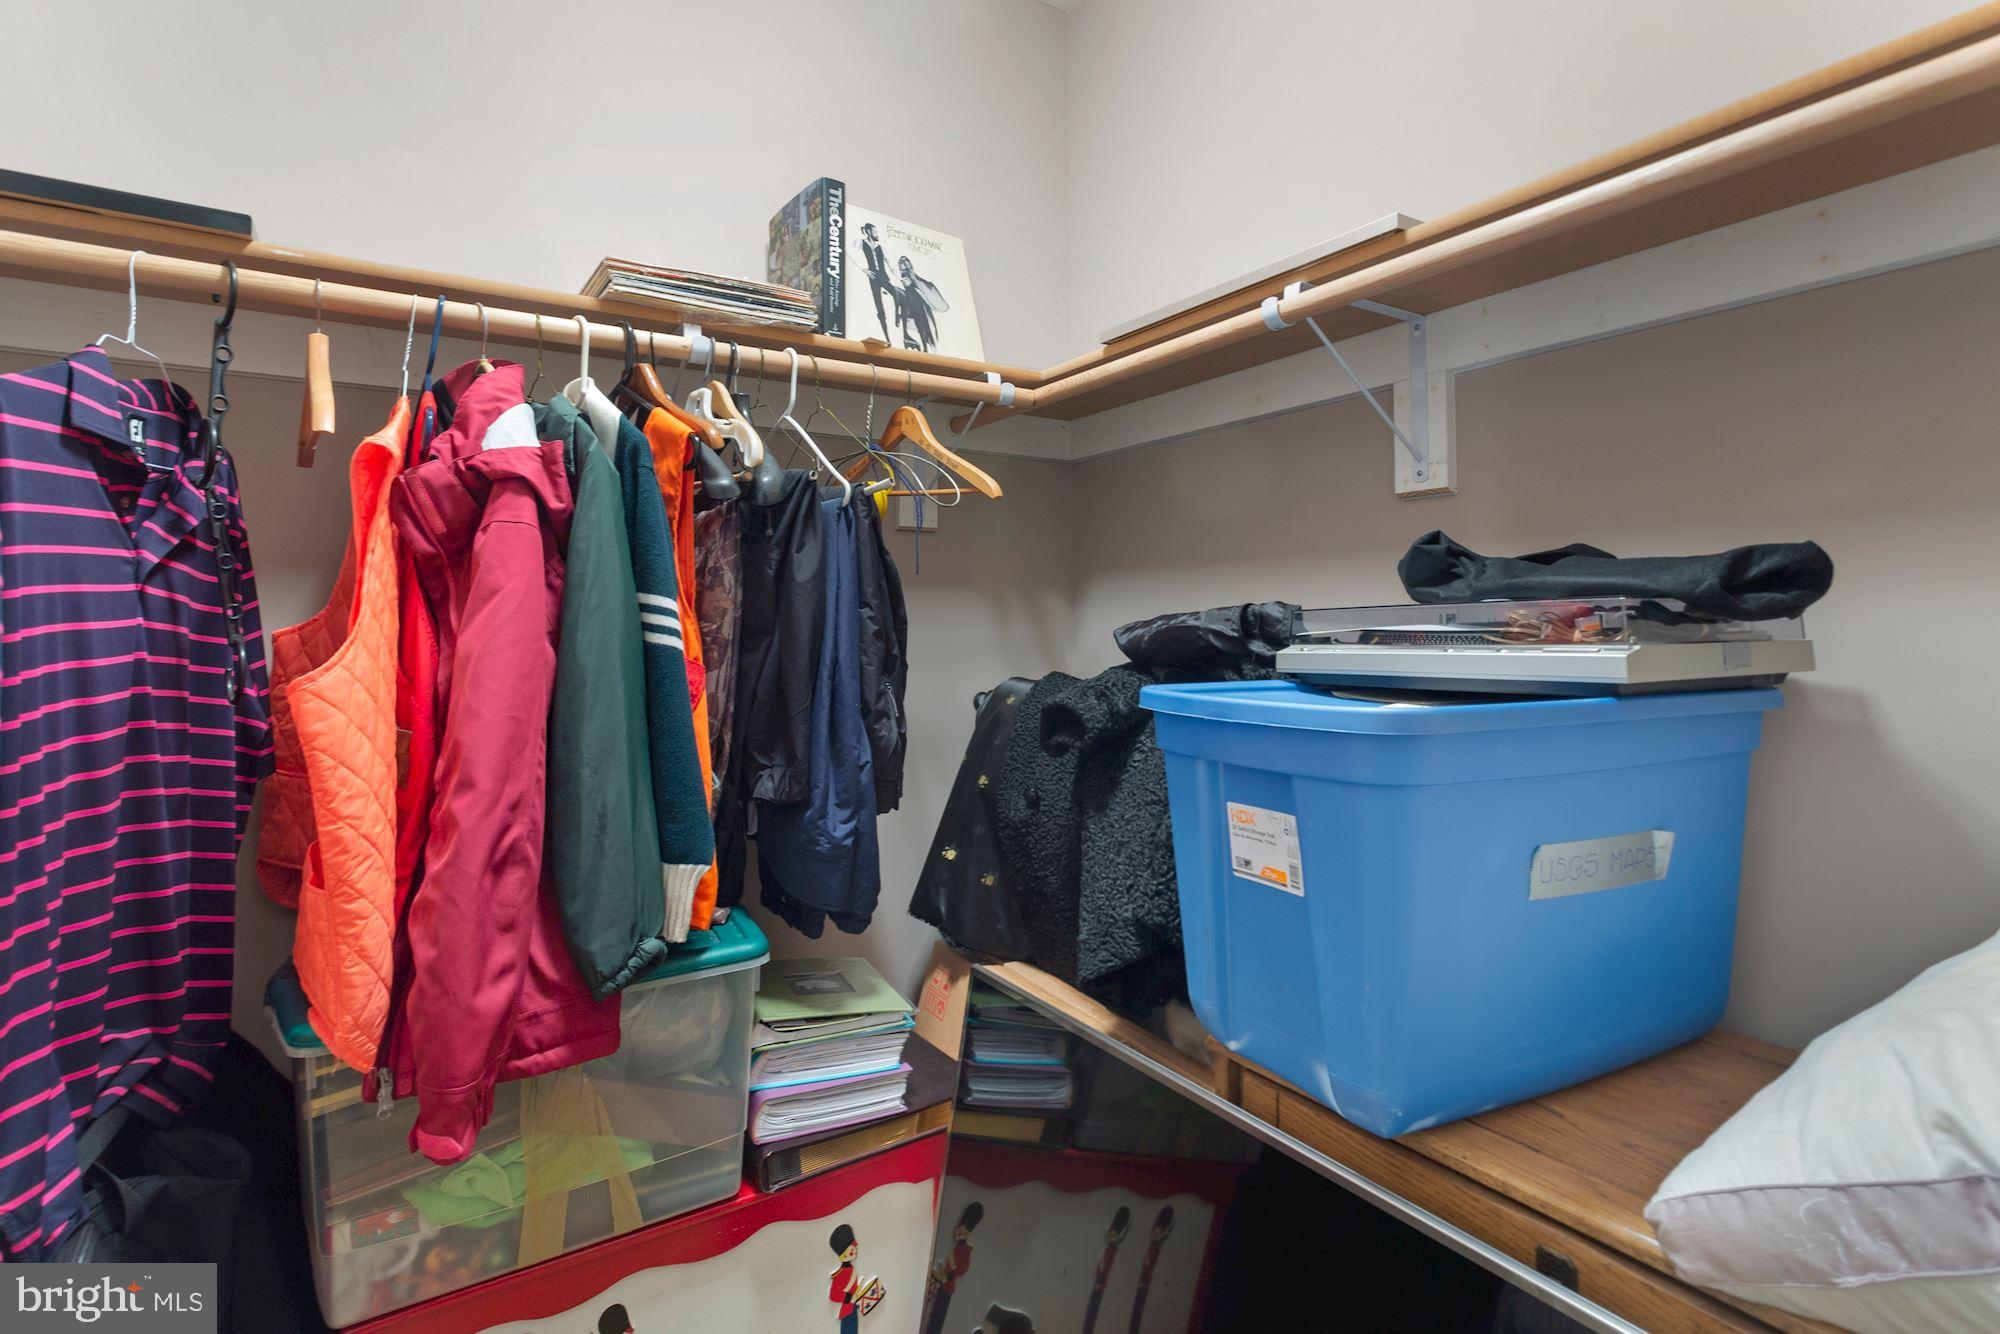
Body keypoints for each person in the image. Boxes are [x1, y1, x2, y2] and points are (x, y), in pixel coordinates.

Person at [924, 1201, 984, 1334]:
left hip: (945, 1290)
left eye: (960, 1229)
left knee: (935, 1320)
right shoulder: (958, 1249)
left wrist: (933, 1274)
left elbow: (948, 1276)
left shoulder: (962, 1252)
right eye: (958, 1227)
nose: (956, 1230)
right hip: (943, 1287)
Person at [1080, 1206, 1132, 1334]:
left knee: (1092, 1312)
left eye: (1113, 1234)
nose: (1110, 1236)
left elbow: (1105, 1266)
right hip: (1099, 1283)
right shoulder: (1109, 1248)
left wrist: (1100, 1278)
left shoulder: (1111, 1250)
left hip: (1099, 1285)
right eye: (1110, 1233)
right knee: (1091, 1312)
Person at [1125, 1207, 1174, 1334]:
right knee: (1136, 1312)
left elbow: (1148, 1265)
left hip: (1144, 1283)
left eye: (1157, 1233)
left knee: (1137, 1312)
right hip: (1143, 1282)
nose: (1154, 1234)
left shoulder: (1154, 1247)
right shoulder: (1153, 1246)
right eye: (1154, 1231)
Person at [892, 254, 949, 353]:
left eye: (903, 262)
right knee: (920, 326)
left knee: (923, 326)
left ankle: (926, 347)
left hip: (917, 302)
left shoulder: (911, 274)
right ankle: (924, 346)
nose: (901, 264)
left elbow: (917, 284)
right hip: (910, 302)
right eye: (900, 263)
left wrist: (910, 284)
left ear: (907, 264)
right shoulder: (902, 274)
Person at [860, 223, 896, 343]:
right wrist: (863, 268)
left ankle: (898, 320)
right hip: (873, 277)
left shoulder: (880, 247)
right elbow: (849, 252)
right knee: (879, 307)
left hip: (883, 276)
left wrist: (899, 278)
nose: (877, 234)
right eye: (875, 232)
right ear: (868, 232)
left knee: (896, 294)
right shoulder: (862, 243)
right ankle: (887, 338)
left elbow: (889, 264)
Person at [829, 1223, 862, 1334]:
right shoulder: (841, 1273)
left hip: (853, 1308)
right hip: (847, 1311)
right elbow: (833, 1295)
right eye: (851, 1249)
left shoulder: (852, 1269)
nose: (854, 1251)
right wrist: (849, 1297)